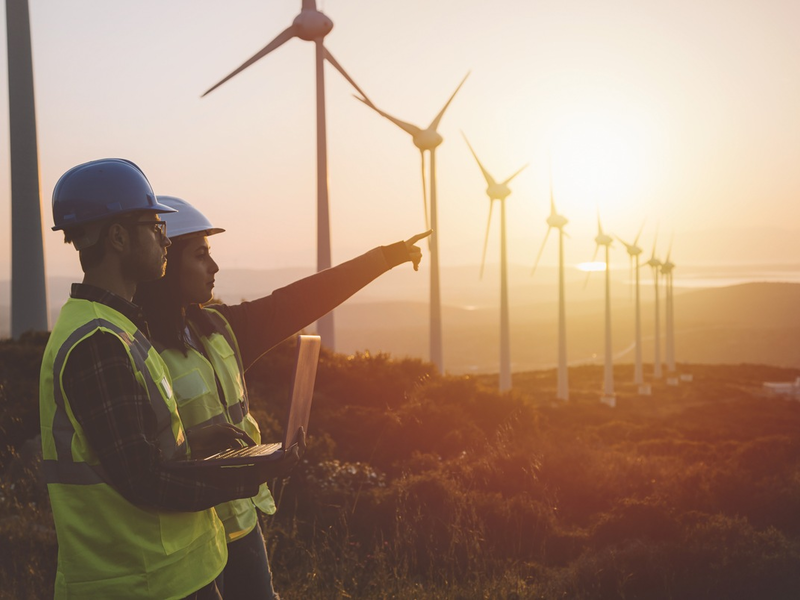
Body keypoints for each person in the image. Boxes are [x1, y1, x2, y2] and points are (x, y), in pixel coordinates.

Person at [134, 195, 430, 599]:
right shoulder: (137, 348)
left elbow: (299, 300)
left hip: (241, 522)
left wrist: (384, 258)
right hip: (187, 536)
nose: (214, 266)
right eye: (201, 255)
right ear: (168, 264)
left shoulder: (220, 329)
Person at [39, 159, 297, 600]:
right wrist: (248, 474)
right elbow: (143, 480)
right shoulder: (97, 344)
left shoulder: (119, 328)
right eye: (155, 224)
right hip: (139, 582)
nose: (164, 237)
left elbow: (128, 450)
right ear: (118, 237)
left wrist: (196, 439)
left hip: (171, 574)